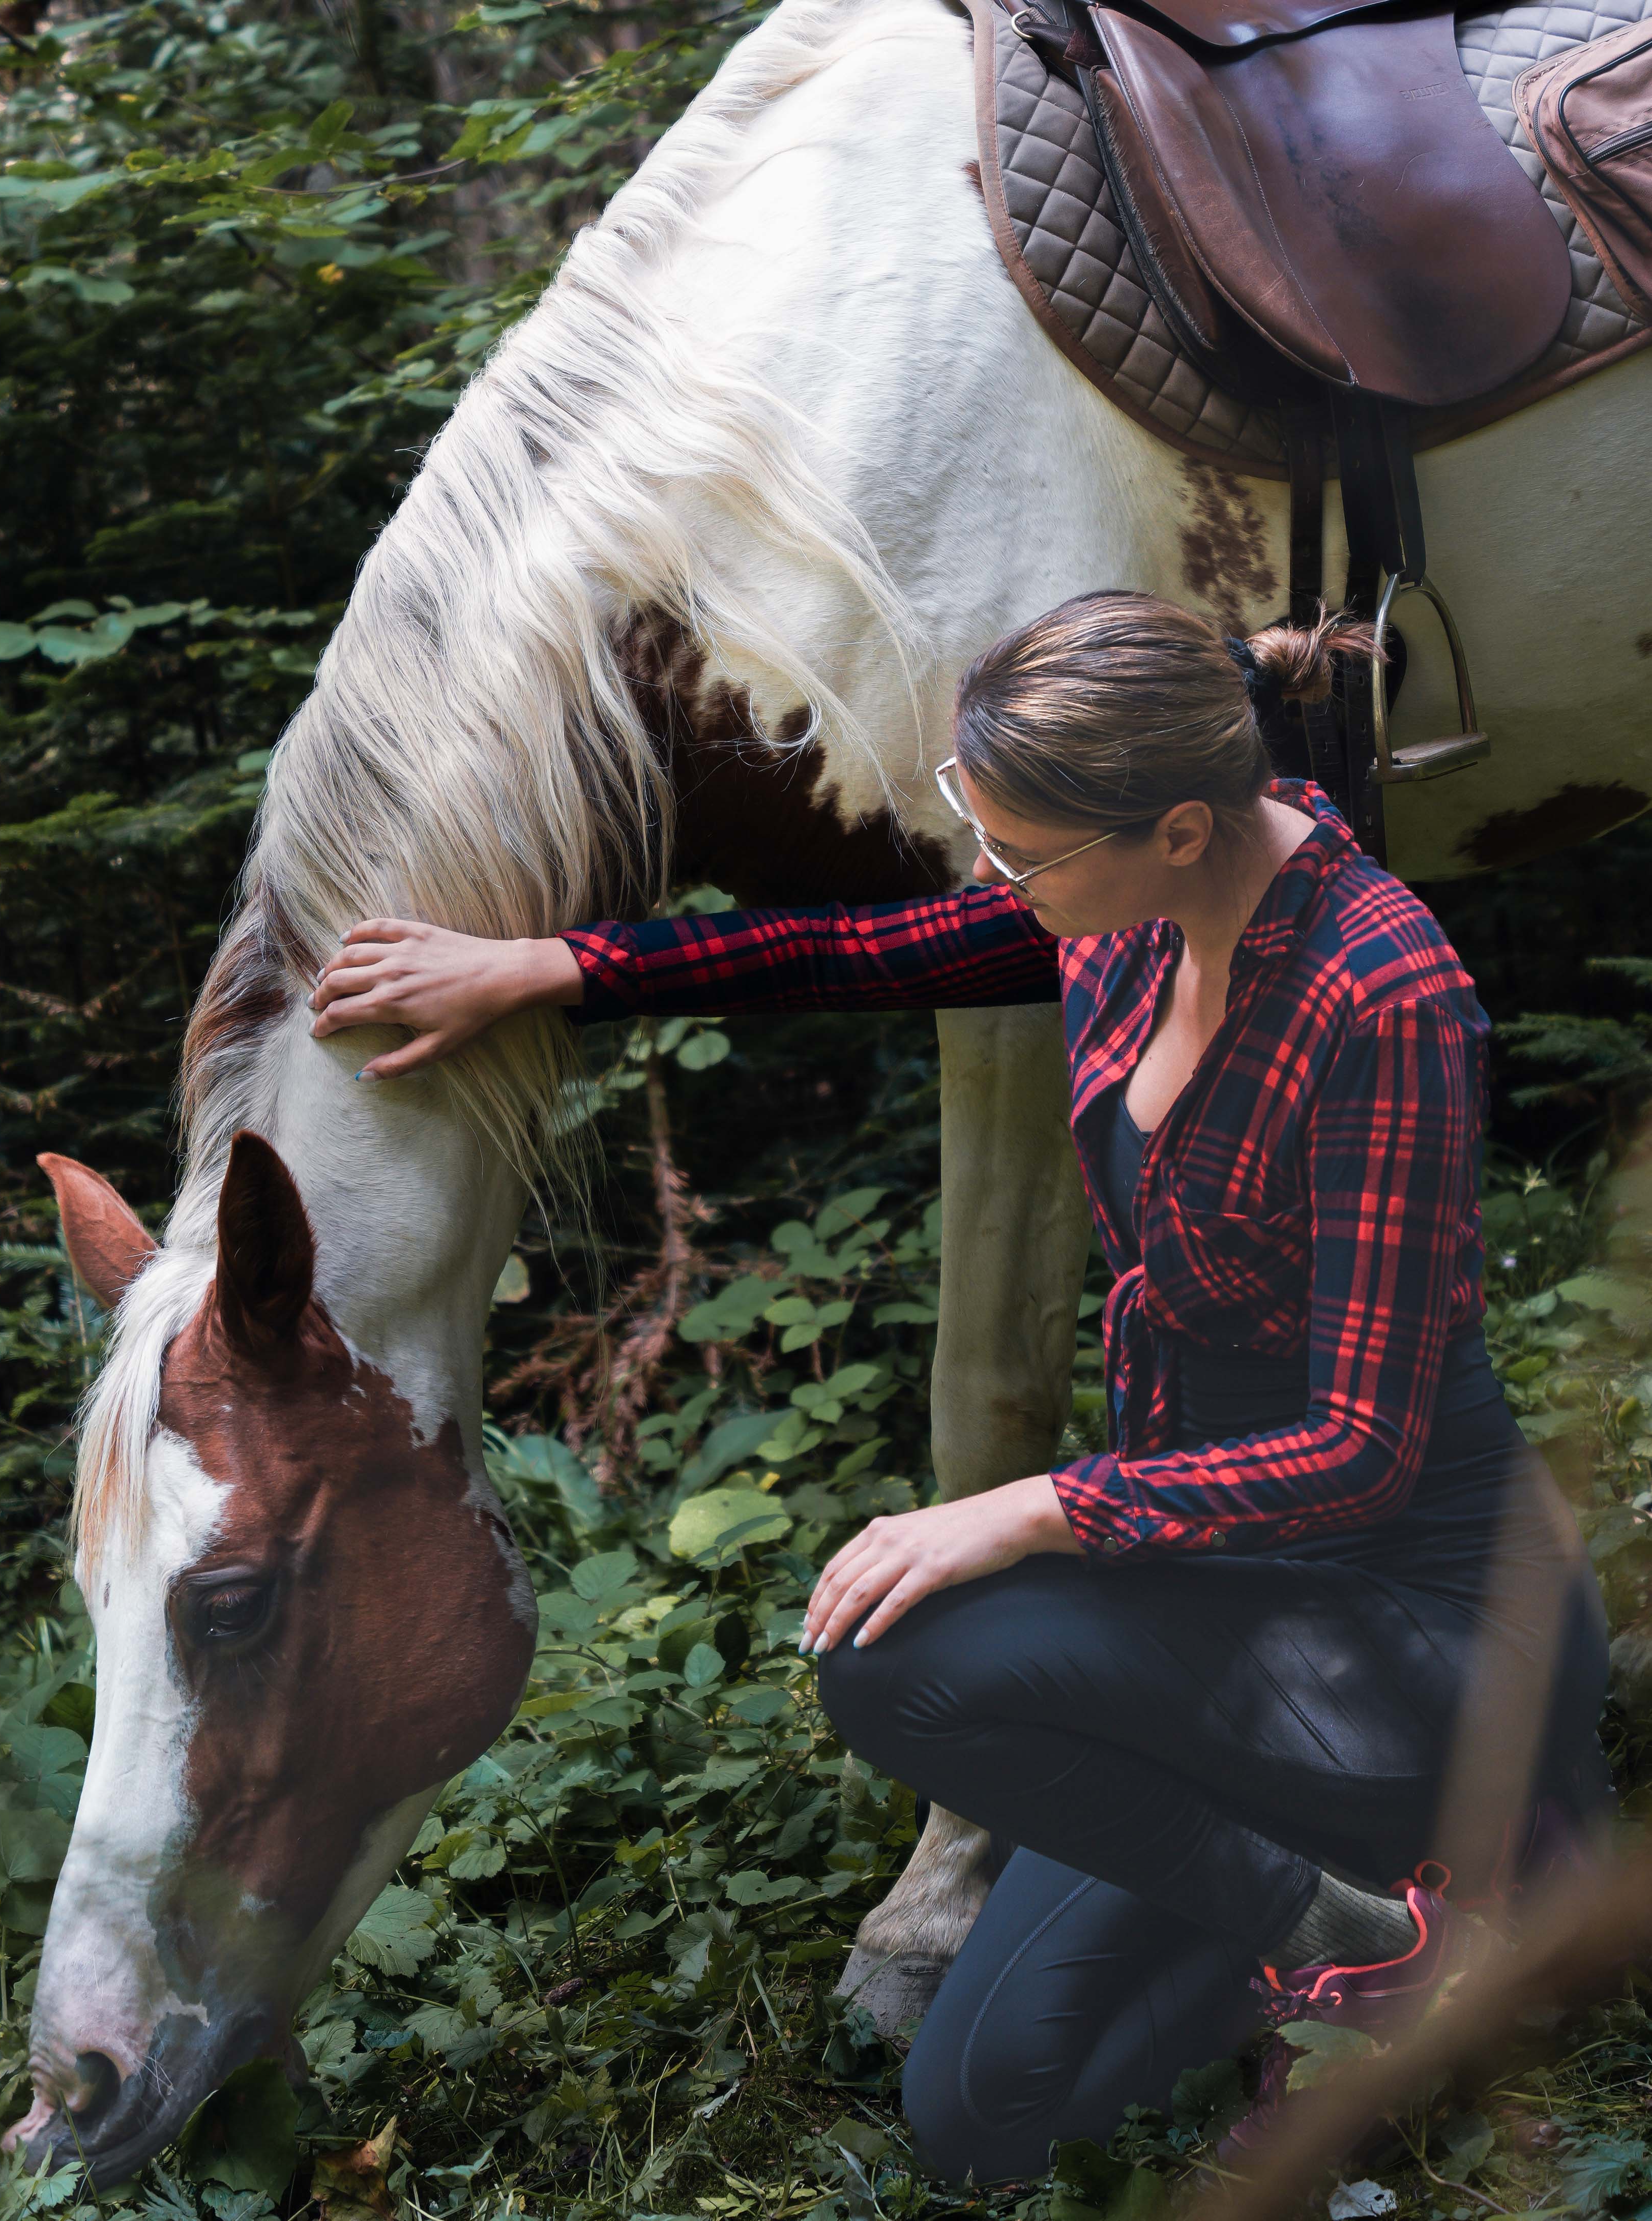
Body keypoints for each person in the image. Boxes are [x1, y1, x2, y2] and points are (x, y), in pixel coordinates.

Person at [309, 590, 1611, 2184]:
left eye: (1024, 855)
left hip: (1414, 1618)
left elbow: (1359, 1447)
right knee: (980, 2118)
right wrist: (546, 969)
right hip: (1219, 1603)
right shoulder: (1128, 910)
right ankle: (1370, 1929)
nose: (1001, 881)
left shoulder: (1381, 996)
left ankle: (1415, 1906)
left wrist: (1035, 1507)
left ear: (1181, 826)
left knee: (897, 1656)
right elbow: (852, 949)